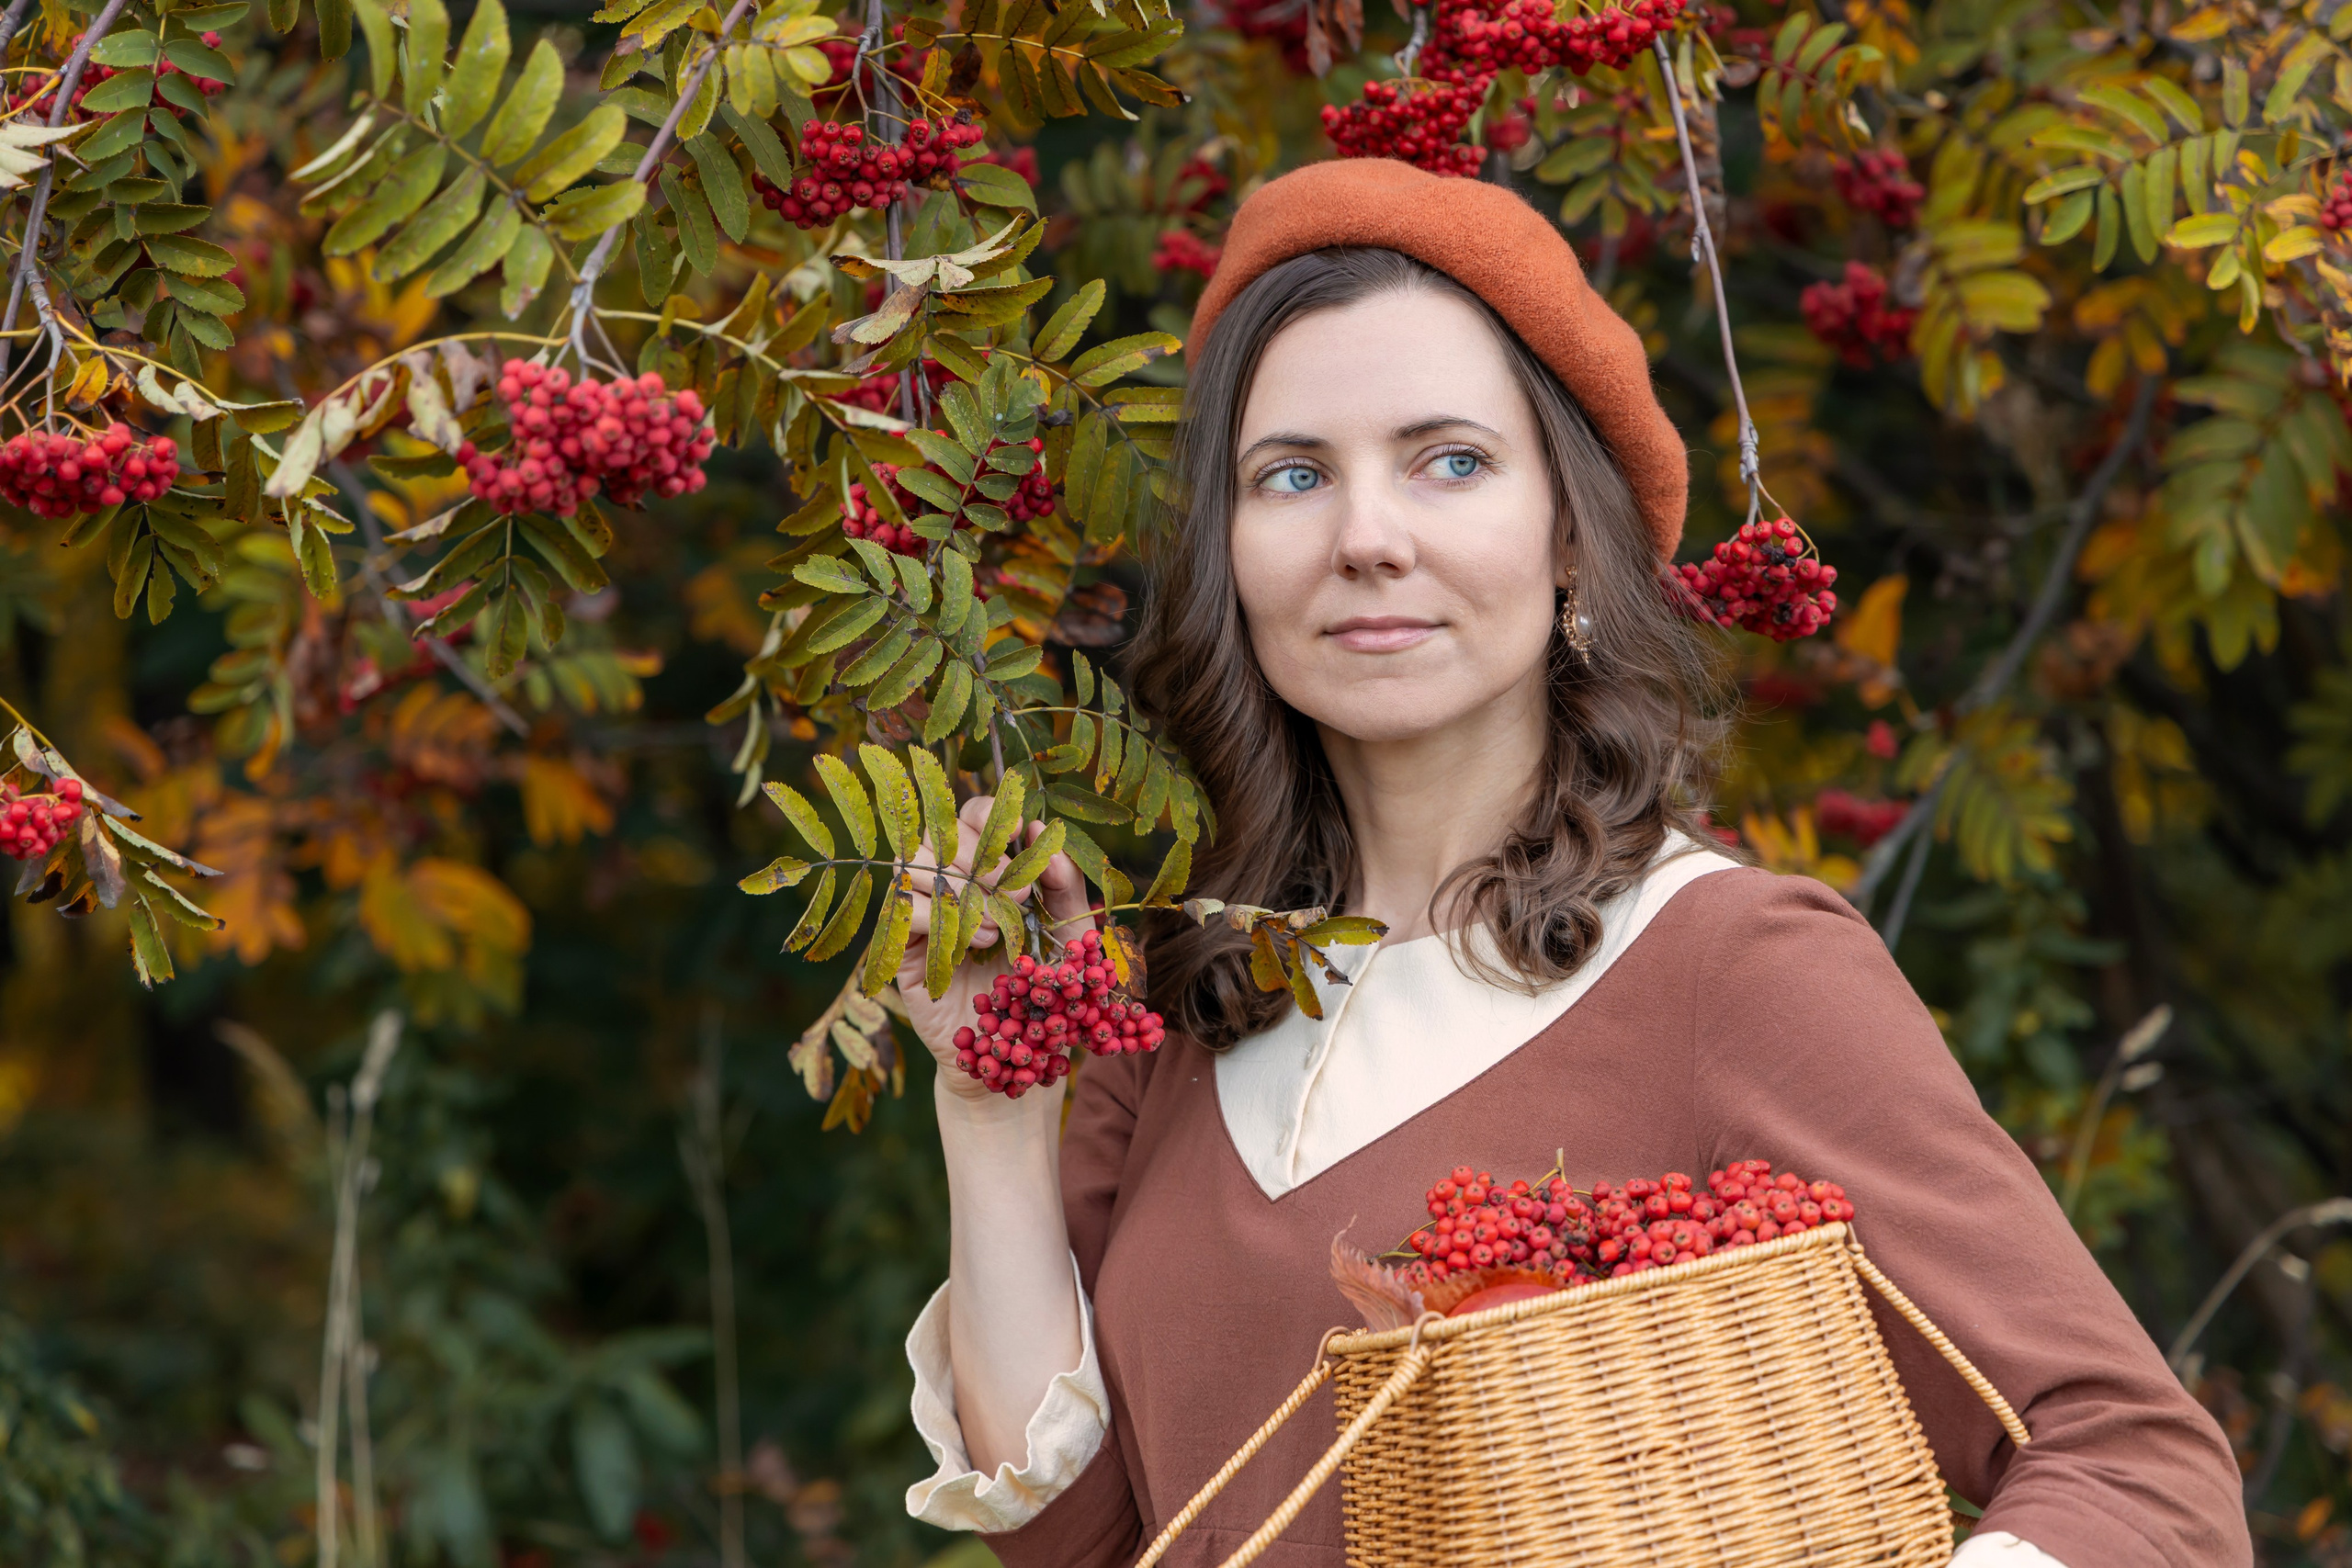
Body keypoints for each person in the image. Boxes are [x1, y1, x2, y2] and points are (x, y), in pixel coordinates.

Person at [888, 159, 2250, 1568]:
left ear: (1570, 541)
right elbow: (1089, 1545)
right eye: (1292, 475)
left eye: (1450, 461)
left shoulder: (1728, 965)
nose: (1366, 538)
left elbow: (2135, 1466)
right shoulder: (1184, 994)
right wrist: (993, 1114)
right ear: (1231, 553)